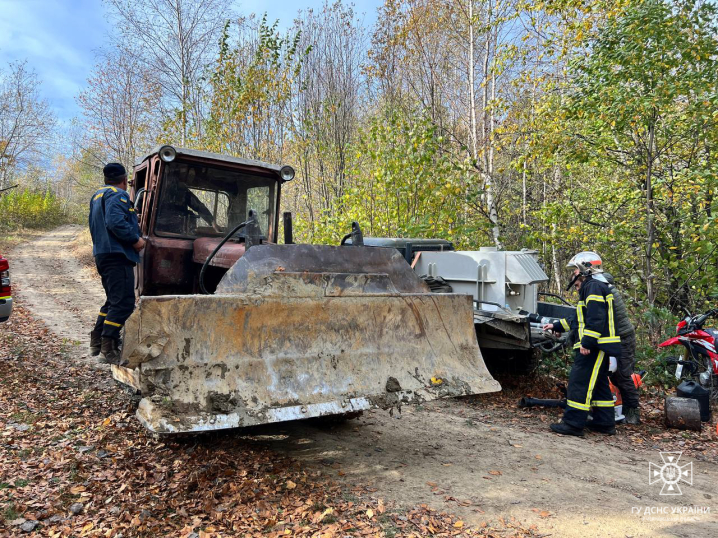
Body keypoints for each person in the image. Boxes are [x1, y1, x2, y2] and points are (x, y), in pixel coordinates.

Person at [543, 252, 622, 436]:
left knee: (580, 382)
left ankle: (572, 424)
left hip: (593, 345)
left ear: (586, 268)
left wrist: (587, 342)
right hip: (599, 344)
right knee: (600, 384)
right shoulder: (595, 286)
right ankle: (604, 423)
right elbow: (579, 319)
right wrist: (556, 325)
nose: (574, 274)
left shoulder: (593, 286)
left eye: (576, 269)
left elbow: (596, 318)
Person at [88, 163, 145, 365]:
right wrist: (135, 239)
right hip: (117, 255)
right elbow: (115, 222)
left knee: (113, 300)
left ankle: (97, 339)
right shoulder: (117, 195)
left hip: (103, 253)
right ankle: (108, 347)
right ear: (124, 179)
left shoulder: (97, 195)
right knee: (124, 303)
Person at [604, 272, 641, 424]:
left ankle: (633, 412)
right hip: (616, 338)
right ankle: (618, 407)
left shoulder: (608, 293)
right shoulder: (607, 291)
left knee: (622, 376)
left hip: (624, 338)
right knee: (612, 374)